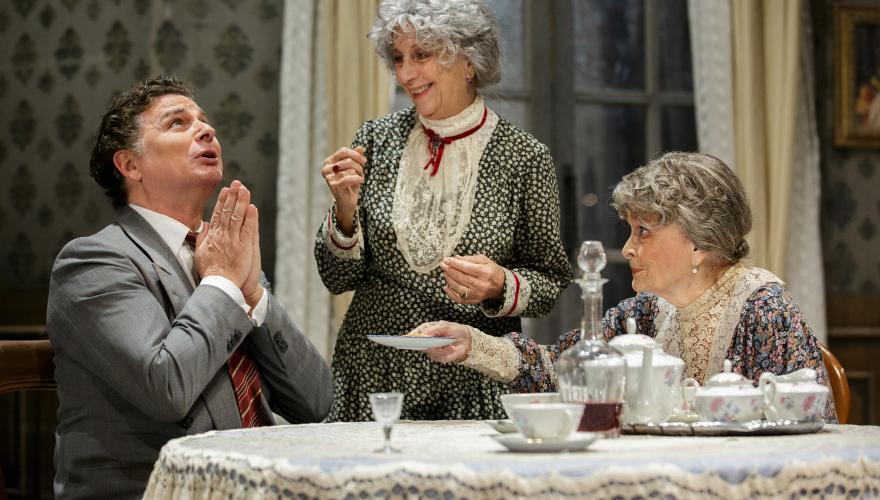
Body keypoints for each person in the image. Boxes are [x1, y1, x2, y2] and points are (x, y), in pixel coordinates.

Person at [47, 76, 333, 499]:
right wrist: (222, 282)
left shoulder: (224, 252)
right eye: (177, 123)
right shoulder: (93, 262)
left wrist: (253, 296)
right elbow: (167, 388)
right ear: (130, 165)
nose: (206, 129)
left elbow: (317, 402)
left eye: (204, 120)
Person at [416, 152, 835, 421]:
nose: (629, 248)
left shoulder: (764, 307)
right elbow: (561, 367)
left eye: (643, 231)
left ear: (700, 242)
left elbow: (809, 427)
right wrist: (470, 343)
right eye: (630, 230)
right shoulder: (649, 310)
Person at [315, 0, 571, 421]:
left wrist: (500, 284)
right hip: (372, 378)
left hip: (472, 383)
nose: (405, 74)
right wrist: (344, 211)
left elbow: (551, 281)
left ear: (468, 61)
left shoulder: (525, 158)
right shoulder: (375, 140)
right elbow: (336, 278)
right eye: (398, 58)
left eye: (422, 55)